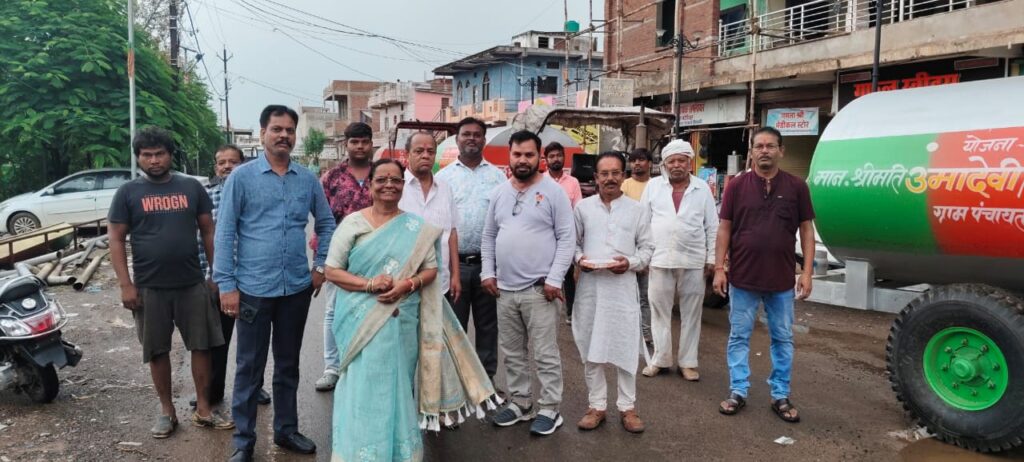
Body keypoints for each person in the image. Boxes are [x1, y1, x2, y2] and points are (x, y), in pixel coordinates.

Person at [327, 159, 497, 461]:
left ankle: (398, 452)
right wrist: (369, 285)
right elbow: (332, 270)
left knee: (398, 384)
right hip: (359, 319)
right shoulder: (353, 223)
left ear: (402, 185)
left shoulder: (415, 227)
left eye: (395, 179)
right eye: (382, 179)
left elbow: (430, 270)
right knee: (362, 384)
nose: (389, 185)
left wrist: (406, 284)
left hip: (401, 319)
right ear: (371, 185)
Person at [214, 105, 336, 461]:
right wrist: (227, 286)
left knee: (287, 365)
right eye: (276, 128)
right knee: (249, 368)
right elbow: (225, 233)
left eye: (289, 130)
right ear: (263, 132)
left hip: (296, 289)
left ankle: (285, 431)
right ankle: (243, 442)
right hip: (252, 289)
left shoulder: (307, 179)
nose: (283, 135)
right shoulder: (242, 177)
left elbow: (325, 224)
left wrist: (321, 267)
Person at [108, 126, 233, 439]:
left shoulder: (191, 188)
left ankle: (204, 408)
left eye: (159, 153)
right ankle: (167, 410)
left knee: (202, 346)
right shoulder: (128, 193)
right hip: (149, 287)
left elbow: (208, 231)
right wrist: (126, 284)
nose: (153, 160)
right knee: (157, 350)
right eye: (146, 155)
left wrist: (215, 273)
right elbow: (116, 238)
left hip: (192, 283)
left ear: (170, 154)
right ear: (138, 157)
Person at [713, 127, 815, 423]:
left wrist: (807, 272)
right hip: (743, 278)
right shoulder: (736, 186)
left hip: (781, 280)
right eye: (759, 146)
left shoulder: (796, 187)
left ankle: (780, 394)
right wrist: (719, 268)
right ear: (752, 152)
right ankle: (738, 391)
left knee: (782, 338)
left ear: (781, 151)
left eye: (771, 146)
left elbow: (806, 230)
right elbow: (724, 229)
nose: (765, 150)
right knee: (738, 336)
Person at [482, 130, 575, 436]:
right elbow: (489, 236)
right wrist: (488, 272)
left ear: (540, 157)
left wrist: (554, 279)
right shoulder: (499, 192)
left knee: (545, 353)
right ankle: (520, 403)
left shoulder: (554, 192)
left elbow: (567, 238)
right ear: (509, 156)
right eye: (517, 154)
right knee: (512, 351)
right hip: (505, 290)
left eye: (529, 155)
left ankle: (550, 407)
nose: (523, 160)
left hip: (540, 289)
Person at [572, 152, 654, 434]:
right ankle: (596, 406)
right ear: (595, 177)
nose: (610, 178)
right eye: (604, 173)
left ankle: (627, 408)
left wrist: (629, 263)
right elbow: (573, 244)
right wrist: (580, 259)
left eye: (615, 173)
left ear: (624, 175)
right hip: (591, 290)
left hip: (622, 290)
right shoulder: (582, 209)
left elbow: (647, 249)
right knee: (591, 347)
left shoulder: (637, 210)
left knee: (625, 347)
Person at [194, 145, 270, 409]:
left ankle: (254, 387)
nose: (227, 166)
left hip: (252, 280)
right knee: (217, 340)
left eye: (233, 162)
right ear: (215, 167)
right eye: (221, 162)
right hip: (217, 280)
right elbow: (201, 239)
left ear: (243, 164)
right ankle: (213, 391)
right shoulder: (206, 196)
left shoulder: (255, 193)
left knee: (253, 342)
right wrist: (208, 276)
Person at [639, 139, 718, 381]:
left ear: (689, 163)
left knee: (691, 314)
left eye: (681, 160)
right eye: (671, 161)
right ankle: (660, 360)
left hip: (693, 259)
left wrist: (712, 257)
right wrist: (642, 257)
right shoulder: (653, 186)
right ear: (664, 164)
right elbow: (642, 223)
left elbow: (712, 225)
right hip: (659, 258)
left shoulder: (702, 188)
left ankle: (688, 362)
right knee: (659, 312)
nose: (676, 165)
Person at [435, 117, 506, 381]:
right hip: (455, 267)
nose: (472, 138)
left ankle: (485, 385)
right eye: (466, 134)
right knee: (455, 329)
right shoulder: (443, 178)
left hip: (488, 267)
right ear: (457, 139)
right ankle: (455, 389)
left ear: (484, 140)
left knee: (488, 328)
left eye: (477, 134)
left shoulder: (498, 177)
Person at [315, 122, 374, 392]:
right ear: (345, 144)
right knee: (333, 311)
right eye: (354, 142)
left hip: (377, 255)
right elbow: (322, 221)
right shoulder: (331, 178)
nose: (359, 146)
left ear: (371, 143)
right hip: (340, 257)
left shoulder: (383, 174)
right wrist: (320, 261)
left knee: (372, 310)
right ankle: (332, 367)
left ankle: (366, 364)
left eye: (364, 141)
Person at [398, 131, 461, 303]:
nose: (425, 155)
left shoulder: (445, 188)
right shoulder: (396, 187)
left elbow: (452, 234)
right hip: (403, 283)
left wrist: (456, 275)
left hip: (441, 284)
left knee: (438, 330)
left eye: (430, 151)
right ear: (407, 154)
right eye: (419, 151)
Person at [543, 141, 582, 325]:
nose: (555, 159)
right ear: (546, 160)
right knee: (546, 273)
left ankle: (571, 312)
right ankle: (546, 309)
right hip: (546, 237)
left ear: (564, 158)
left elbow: (578, 209)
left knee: (568, 276)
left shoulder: (573, 182)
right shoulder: (540, 180)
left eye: (558, 155)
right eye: (551, 156)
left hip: (566, 237)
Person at [621, 148, 654, 346]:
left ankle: (646, 334)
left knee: (645, 295)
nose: (637, 164)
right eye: (633, 161)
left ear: (649, 163)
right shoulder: (625, 185)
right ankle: (627, 331)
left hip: (649, 245)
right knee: (626, 294)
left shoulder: (657, 186)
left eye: (641, 160)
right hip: (627, 246)